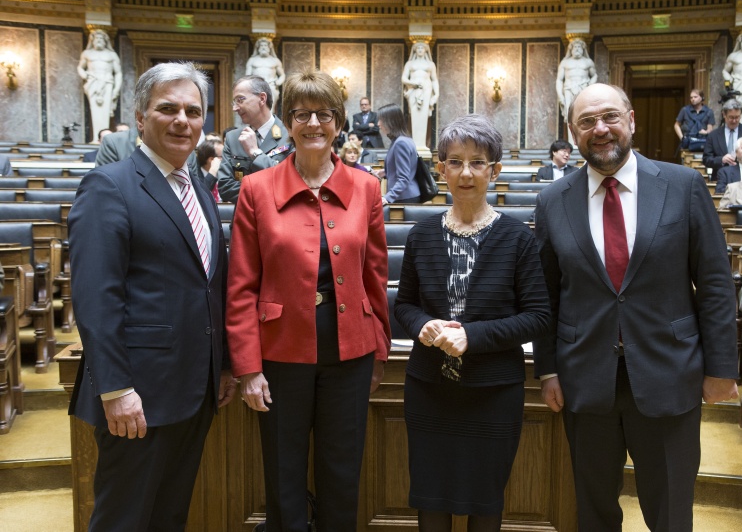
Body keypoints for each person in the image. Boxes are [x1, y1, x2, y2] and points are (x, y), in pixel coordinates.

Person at [534, 83, 738, 531]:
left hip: (670, 371)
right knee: (594, 511)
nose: (600, 129)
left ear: (631, 120)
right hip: (585, 378)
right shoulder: (553, 200)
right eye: (586, 122)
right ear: (572, 132)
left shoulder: (682, 185)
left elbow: (715, 282)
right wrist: (547, 368)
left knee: (669, 512)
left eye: (609, 117)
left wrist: (721, 368)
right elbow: (546, 293)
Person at [67, 62, 236, 531]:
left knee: (168, 516)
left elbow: (207, 285)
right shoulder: (110, 185)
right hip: (136, 396)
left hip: (193, 390)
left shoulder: (198, 190)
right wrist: (116, 389)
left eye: (193, 111)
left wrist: (220, 365)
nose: (183, 120)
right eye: (168, 108)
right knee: (124, 519)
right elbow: (97, 299)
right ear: (141, 117)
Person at [226, 70, 390, 531]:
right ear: (288, 120)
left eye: (324, 114)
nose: (312, 123)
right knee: (283, 473)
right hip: (279, 352)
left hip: (350, 352)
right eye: (301, 114)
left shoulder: (366, 188)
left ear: (339, 122)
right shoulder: (257, 189)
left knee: (342, 471)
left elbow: (375, 275)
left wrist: (379, 349)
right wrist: (248, 367)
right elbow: (241, 284)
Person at [394, 113, 550, 531]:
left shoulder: (517, 237)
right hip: (429, 389)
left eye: (477, 162)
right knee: (431, 502)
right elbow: (404, 305)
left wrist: (472, 337)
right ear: (441, 168)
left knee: (485, 505)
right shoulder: (420, 235)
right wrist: (422, 325)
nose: (466, 172)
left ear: (494, 170)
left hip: (493, 393)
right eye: (455, 161)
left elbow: (538, 317)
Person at [217, 75, 292, 203]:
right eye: (234, 102)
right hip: (243, 221)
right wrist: (270, 191)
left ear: (262, 98)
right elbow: (225, 188)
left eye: (240, 100)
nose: (235, 108)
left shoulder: (291, 135)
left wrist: (255, 153)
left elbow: (288, 182)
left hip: (278, 220)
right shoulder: (233, 138)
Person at [77, 29, 122, 143]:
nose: (99, 41)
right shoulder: (87, 54)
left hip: (107, 83)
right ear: (92, 41)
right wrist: (84, 75)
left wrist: (116, 90)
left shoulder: (111, 55)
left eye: (101, 39)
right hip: (93, 83)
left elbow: (118, 73)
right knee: (95, 110)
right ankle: (96, 139)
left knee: (105, 111)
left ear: (106, 41)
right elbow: (80, 67)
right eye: (97, 38)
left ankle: (104, 140)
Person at [702, 98, 742, 180]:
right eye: (731, 117)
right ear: (724, 115)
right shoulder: (713, 135)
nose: (734, 120)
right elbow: (706, 160)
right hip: (721, 178)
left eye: (737, 117)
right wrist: (721, 159)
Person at [376, 103, 420, 204]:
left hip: (405, 198)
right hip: (404, 196)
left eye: (381, 120)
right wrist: (384, 172)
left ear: (390, 121)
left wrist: (387, 197)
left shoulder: (400, 143)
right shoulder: (403, 140)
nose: (378, 124)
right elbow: (405, 169)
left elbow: (404, 178)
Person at [556, 39, 597, 143]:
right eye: (575, 47)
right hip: (569, 89)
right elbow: (559, 80)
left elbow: (594, 75)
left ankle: (583, 142)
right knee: (571, 116)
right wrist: (560, 96)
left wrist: (590, 87)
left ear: (583, 49)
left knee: (585, 115)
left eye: (579, 47)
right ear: (571, 49)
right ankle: (572, 142)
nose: (577, 49)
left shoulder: (588, 62)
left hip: (583, 89)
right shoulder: (565, 63)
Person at [402, 42, 439, 148]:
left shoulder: (431, 64)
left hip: (426, 90)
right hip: (413, 90)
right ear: (414, 50)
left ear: (426, 50)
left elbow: (434, 79)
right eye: (418, 48)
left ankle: (422, 145)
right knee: (415, 116)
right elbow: (404, 78)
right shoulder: (409, 64)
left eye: (422, 48)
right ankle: (415, 144)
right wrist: (413, 83)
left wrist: (436, 95)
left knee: (423, 116)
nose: (420, 49)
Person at [245, 38, 286, 113]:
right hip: (256, 87)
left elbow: (282, 75)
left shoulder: (275, 61)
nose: (263, 47)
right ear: (258, 48)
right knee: (256, 108)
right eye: (261, 45)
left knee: (270, 109)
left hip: (271, 86)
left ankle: (269, 124)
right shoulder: (252, 60)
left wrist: (278, 82)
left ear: (269, 48)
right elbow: (247, 77)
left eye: (265, 45)